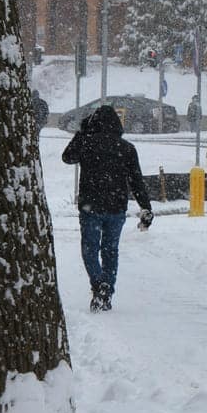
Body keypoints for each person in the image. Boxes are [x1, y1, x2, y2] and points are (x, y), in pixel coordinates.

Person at [61, 106, 153, 311]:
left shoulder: (86, 143)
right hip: (116, 207)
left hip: (90, 206)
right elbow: (136, 181)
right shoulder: (126, 148)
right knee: (110, 250)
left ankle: (98, 283)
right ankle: (107, 290)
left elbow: (67, 157)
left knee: (90, 249)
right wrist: (145, 206)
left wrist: (81, 132)